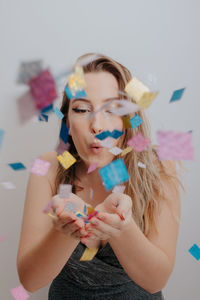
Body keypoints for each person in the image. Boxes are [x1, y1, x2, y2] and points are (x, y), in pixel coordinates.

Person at [17, 53, 181, 299]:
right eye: (82, 109)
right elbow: (29, 281)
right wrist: (64, 232)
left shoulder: (160, 167)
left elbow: (156, 280)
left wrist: (122, 229)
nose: (97, 126)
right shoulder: (47, 166)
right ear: (67, 122)